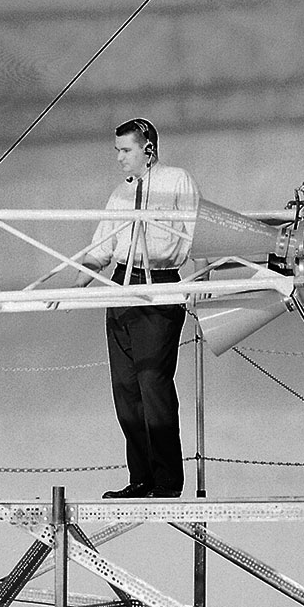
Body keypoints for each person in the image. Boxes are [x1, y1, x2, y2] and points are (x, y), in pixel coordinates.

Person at [76, 117, 199, 499]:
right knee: (126, 389)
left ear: (148, 148)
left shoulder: (177, 181)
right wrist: (70, 284)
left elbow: (195, 234)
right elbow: (102, 247)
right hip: (121, 284)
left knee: (153, 382)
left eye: (125, 150)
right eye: (117, 151)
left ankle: (165, 481)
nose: (119, 159)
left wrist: (200, 286)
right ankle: (141, 477)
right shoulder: (120, 194)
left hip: (159, 285)